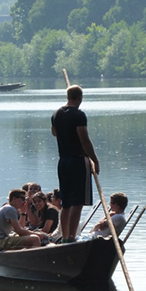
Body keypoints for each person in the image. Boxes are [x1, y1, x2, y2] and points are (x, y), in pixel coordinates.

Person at [51, 85, 99, 243]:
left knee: (66, 203)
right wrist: (94, 159)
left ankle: (65, 237)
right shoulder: (79, 115)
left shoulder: (56, 113)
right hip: (78, 160)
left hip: (62, 161)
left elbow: (54, 132)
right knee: (77, 202)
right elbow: (84, 139)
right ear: (80, 98)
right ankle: (71, 237)